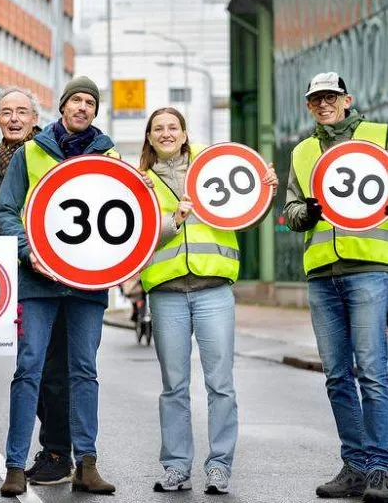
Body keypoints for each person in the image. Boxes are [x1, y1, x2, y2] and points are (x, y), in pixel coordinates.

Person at [138, 107, 277, 495]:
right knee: (174, 385)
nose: (166, 133)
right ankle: (177, 467)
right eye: (158, 129)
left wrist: (264, 187)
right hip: (166, 291)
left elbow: (248, 212)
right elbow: (140, 239)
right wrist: (175, 220)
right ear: (149, 138)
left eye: (173, 127)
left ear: (184, 133)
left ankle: (219, 466)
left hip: (214, 288)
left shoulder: (214, 166)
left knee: (221, 384)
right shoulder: (139, 182)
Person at [0, 76, 118, 497]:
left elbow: (126, 217)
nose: (82, 107)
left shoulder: (110, 155)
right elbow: (6, 212)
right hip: (38, 281)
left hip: (88, 284)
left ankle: (86, 463)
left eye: (90, 102)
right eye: (76, 100)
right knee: (28, 369)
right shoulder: (30, 152)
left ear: (94, 111)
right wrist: (29, 253)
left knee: (85, 372)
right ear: (62, 106)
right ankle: (13, 465)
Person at [284, 72, 388, 502]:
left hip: (369, 267)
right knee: (337, 375)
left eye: (330, 97)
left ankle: (381, 466)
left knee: (373, 372)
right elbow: (289, 208)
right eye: (315, 100)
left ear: (347, 99)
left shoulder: (379, 137)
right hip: (322, 273)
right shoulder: (304, 151)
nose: (323, 104)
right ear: (309, 107)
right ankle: (355, 466)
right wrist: (302, 214)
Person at [0, 87, 72, 485]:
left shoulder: (50, 151)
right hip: (15, 276)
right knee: (31, 366)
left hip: (56, 276)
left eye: (22, 111)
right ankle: (50, 449)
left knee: (56, 369)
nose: (15, 118)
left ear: (35, 118)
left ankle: (58, 450)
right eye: (7, 112)